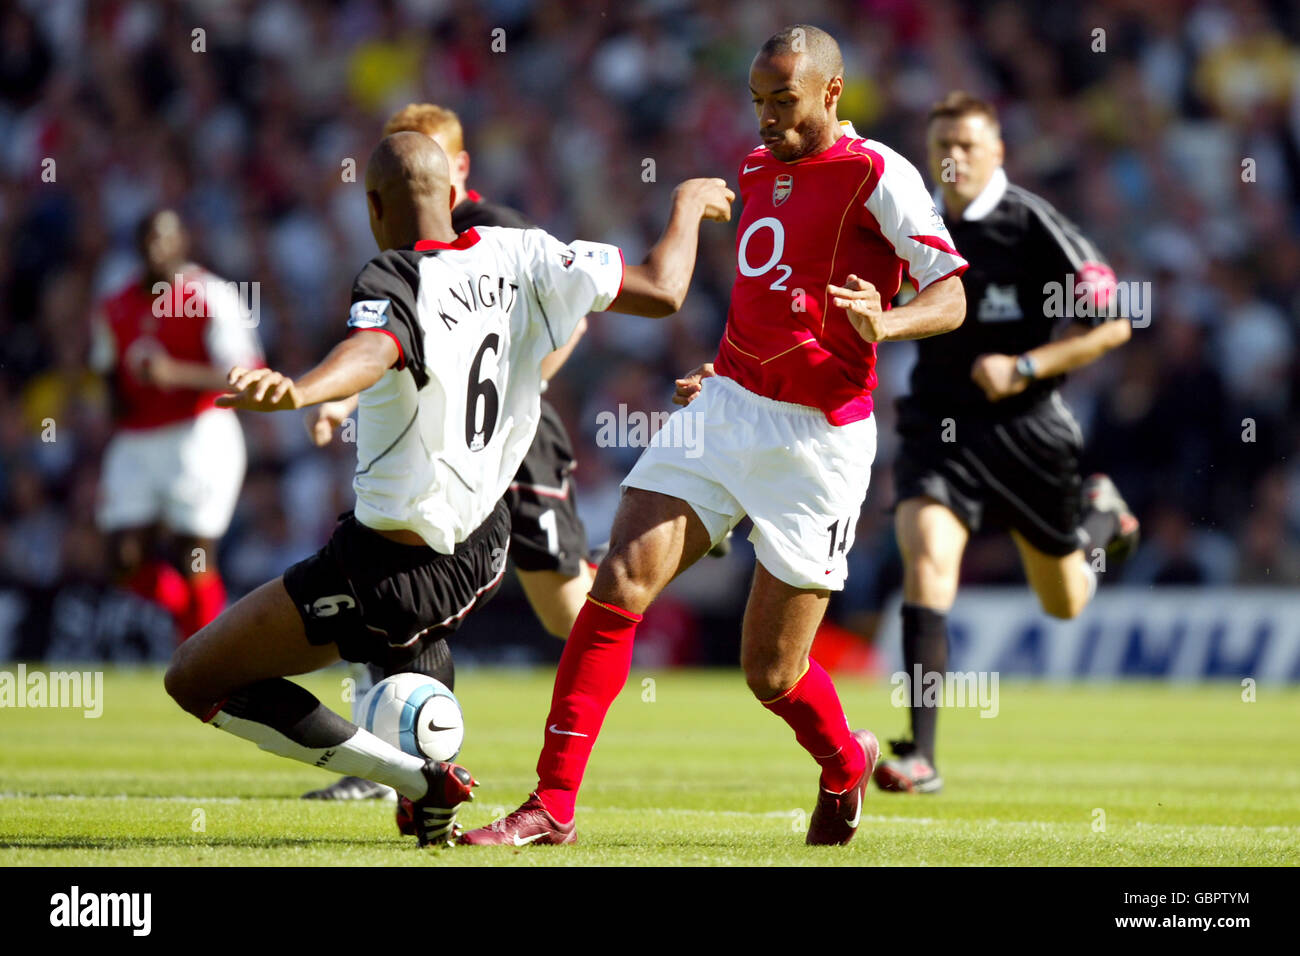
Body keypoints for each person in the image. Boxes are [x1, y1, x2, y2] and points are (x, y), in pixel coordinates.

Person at [462, 25, 968, 849]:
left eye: (786, 101)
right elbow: (772, 294)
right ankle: (552, 804)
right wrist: (726, 369)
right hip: (728, 406)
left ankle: (844, 762)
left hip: (819, 442)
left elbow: (951, 293)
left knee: (770, 673)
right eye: (759, 101)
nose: (768, 118)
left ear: (832, 93)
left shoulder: (877, 173)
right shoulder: (756, 169)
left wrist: (891, 319)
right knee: (620, 581)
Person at [163, 131, 733, 846]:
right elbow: (663, 288)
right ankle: (428, 789)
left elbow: (371, 349)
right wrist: (685, 203)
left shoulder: (393, 275)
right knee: (432, 668)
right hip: (482, 550)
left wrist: (304, 389)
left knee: (194, 678)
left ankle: (412, 778)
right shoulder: (522, 251)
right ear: (453, 195)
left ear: (375, 206)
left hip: (385, 568)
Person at [302, 103, 597, 802]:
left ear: (458, 168)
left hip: (513, 436)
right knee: (392, 560)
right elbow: (385, 350)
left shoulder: (501, 230)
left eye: (427, 160)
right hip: (440, 443)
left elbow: (575, 314)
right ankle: (396, 762)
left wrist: (515, 381)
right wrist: (340, 402)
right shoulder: (402, 251)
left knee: (566, 611)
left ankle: (653, 556)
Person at [874, 92, 1139, 794]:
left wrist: (1025, 366)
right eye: (940, 146)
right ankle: (921, 754)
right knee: (927, 561)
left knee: (1066, 600)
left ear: (998, 151)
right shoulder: (911, 218)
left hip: (1027, 432)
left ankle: (1103, 517)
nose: (951, 158)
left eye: (965, 144)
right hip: (936, 427)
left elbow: (1114, 324)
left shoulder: (1033, 224)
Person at [91, 209, 262, 642]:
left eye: (166, 239)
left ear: (184, 243)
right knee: (121, 558)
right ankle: (190, 615)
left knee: (196, 555)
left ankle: (206, 659)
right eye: (150, 240)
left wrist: (175, 374)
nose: (157, 249)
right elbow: (108, 378)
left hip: (199, 432)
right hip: (137, 439)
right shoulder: (114, 306)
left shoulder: (211, 296)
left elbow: (247, 374)